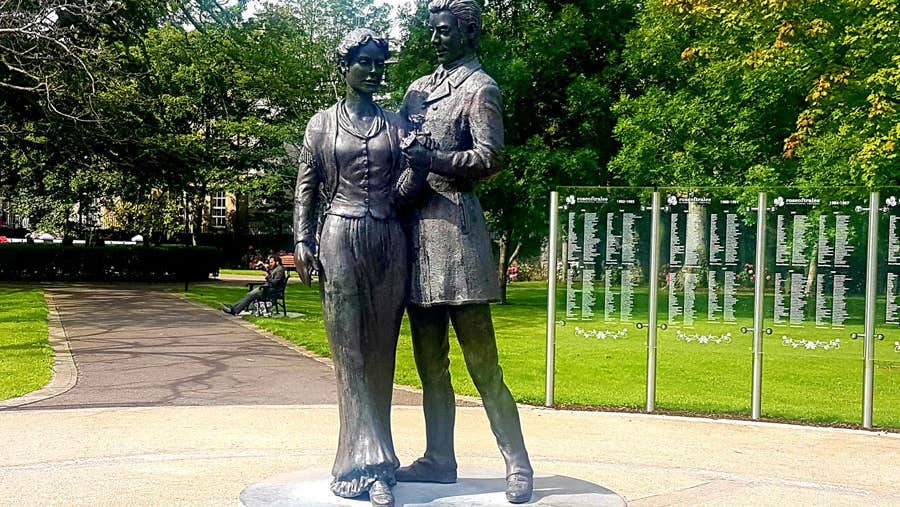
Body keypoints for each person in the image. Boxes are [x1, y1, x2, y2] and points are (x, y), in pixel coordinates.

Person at [397, 0, 534, 503]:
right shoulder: (415, 91)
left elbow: (490, 158)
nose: (435, 39)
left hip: (457, 239)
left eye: (445, 31)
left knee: (483, 364)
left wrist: (432, 157)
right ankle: (438, 458)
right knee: (430, 363)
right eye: (432, 31)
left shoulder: (481, 89)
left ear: (468, 34)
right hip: (418, 240)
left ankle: (517, 463)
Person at [292, 28, 425, 507]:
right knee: (349, 353)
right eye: (364, 62)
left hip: (388, 239)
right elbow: (306, 187)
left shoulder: (395, 125)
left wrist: (419, 165)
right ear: (344, 67)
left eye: (379, 63)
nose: (372, 70)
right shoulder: (321, 125)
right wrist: (302, 238)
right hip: (340, 236)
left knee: (382, 354)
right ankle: (361, 466)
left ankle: (379, 462)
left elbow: (405, 195)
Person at [222, 254, 286, 315]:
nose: (270, 264)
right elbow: (272, 277)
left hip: (271, 291)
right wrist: (267, 270)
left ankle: (234, 309)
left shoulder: (280, 270)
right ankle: (233, 308)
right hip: (268, 289)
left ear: (277, 262)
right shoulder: (277, 269)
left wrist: (267, 277)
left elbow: (274, 283)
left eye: (272, 262)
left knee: (250, 295)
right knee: (249, 295)